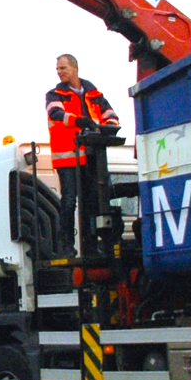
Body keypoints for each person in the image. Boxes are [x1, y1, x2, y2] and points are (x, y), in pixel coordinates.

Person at [46, 53, 120, 256]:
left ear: (75, 67)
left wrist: (110, 127)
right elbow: (56, 113)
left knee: (93, 201)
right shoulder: (54, 95)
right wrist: (80, 121)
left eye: (63, 68)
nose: (60, 72)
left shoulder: (93, 93)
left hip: (91, 156)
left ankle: (93, 246)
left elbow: (110, 114)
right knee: (69, 200)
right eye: (58, 69)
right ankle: (66, 246)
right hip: (68, 157)